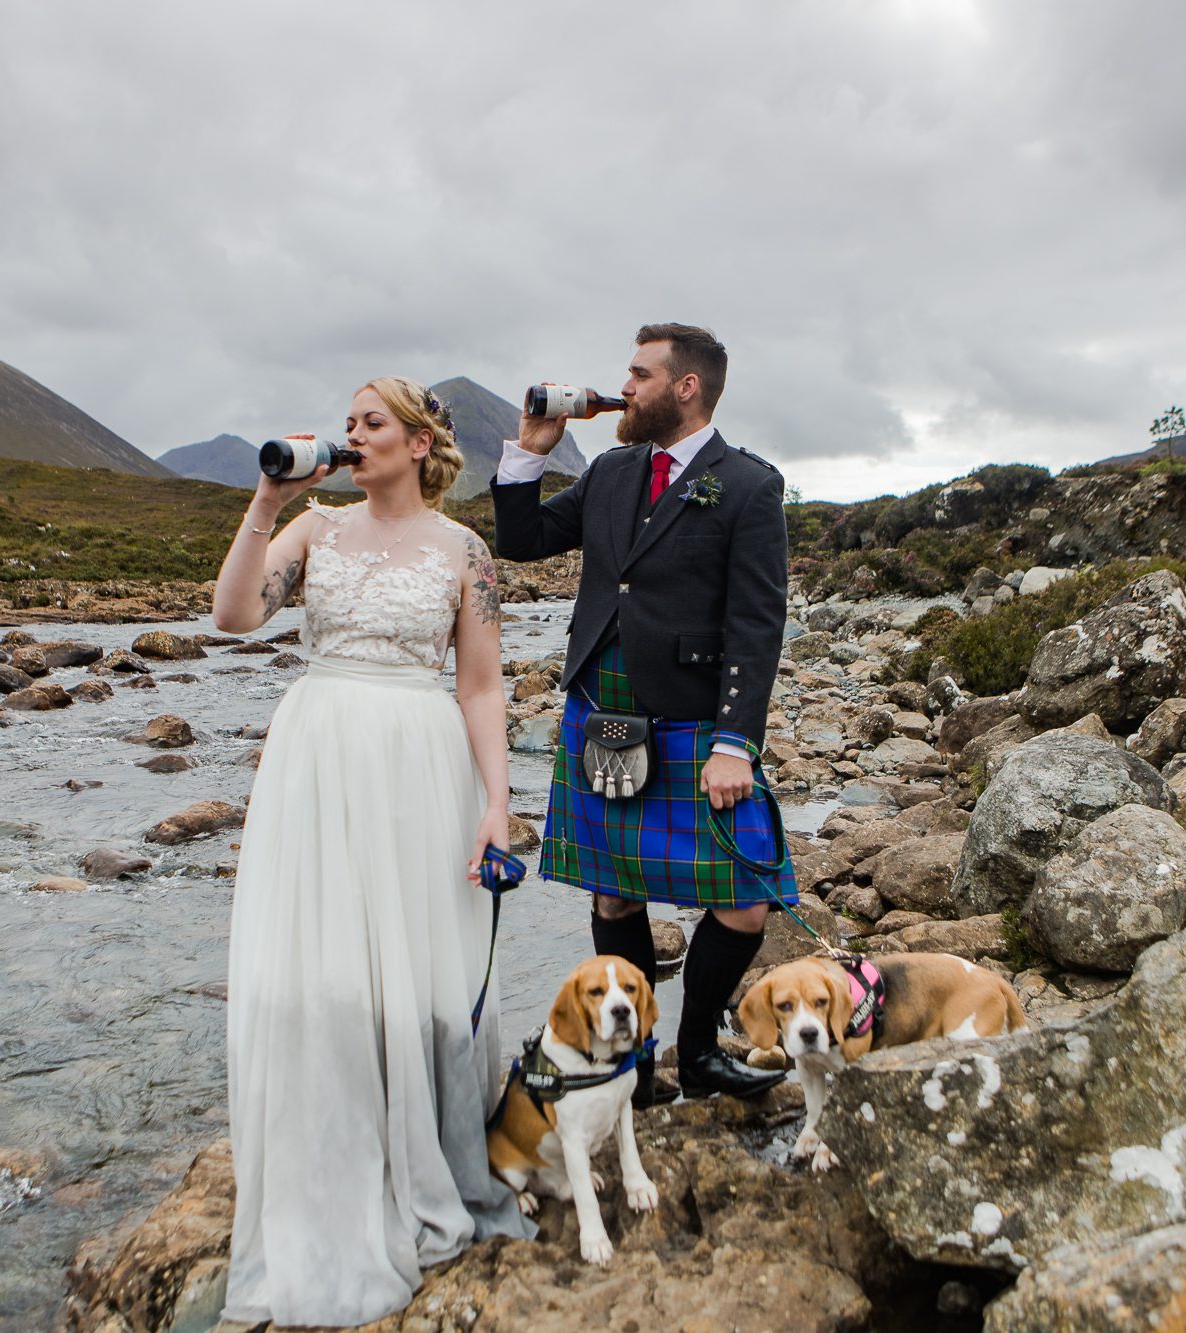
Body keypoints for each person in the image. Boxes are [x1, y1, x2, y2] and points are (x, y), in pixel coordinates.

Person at [213, 376, 533, 1327]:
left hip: (416, 756)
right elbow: (233, 615)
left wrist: (496, 802)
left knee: (413, 962)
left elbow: (480, 688)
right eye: (348, 423)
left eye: (372, 422)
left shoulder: (465, 551)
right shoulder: (314, 530)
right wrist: (267, 504)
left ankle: (421, 1151)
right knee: (320, 958)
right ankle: (328, 1158)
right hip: (316, 748)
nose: (354, 436)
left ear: (419, 439)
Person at [492, 322, 796, 1106]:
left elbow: (757, 623)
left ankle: (696, 1053)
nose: (623, 387)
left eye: (639, 374)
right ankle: (634, 1065)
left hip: (697, 718)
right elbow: (522, 540)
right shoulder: (611, 471)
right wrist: (530, 448)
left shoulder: (750, 486)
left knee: (745, 897)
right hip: (604, 710)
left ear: (685, 386)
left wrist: (735, 742)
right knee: (615, 893)